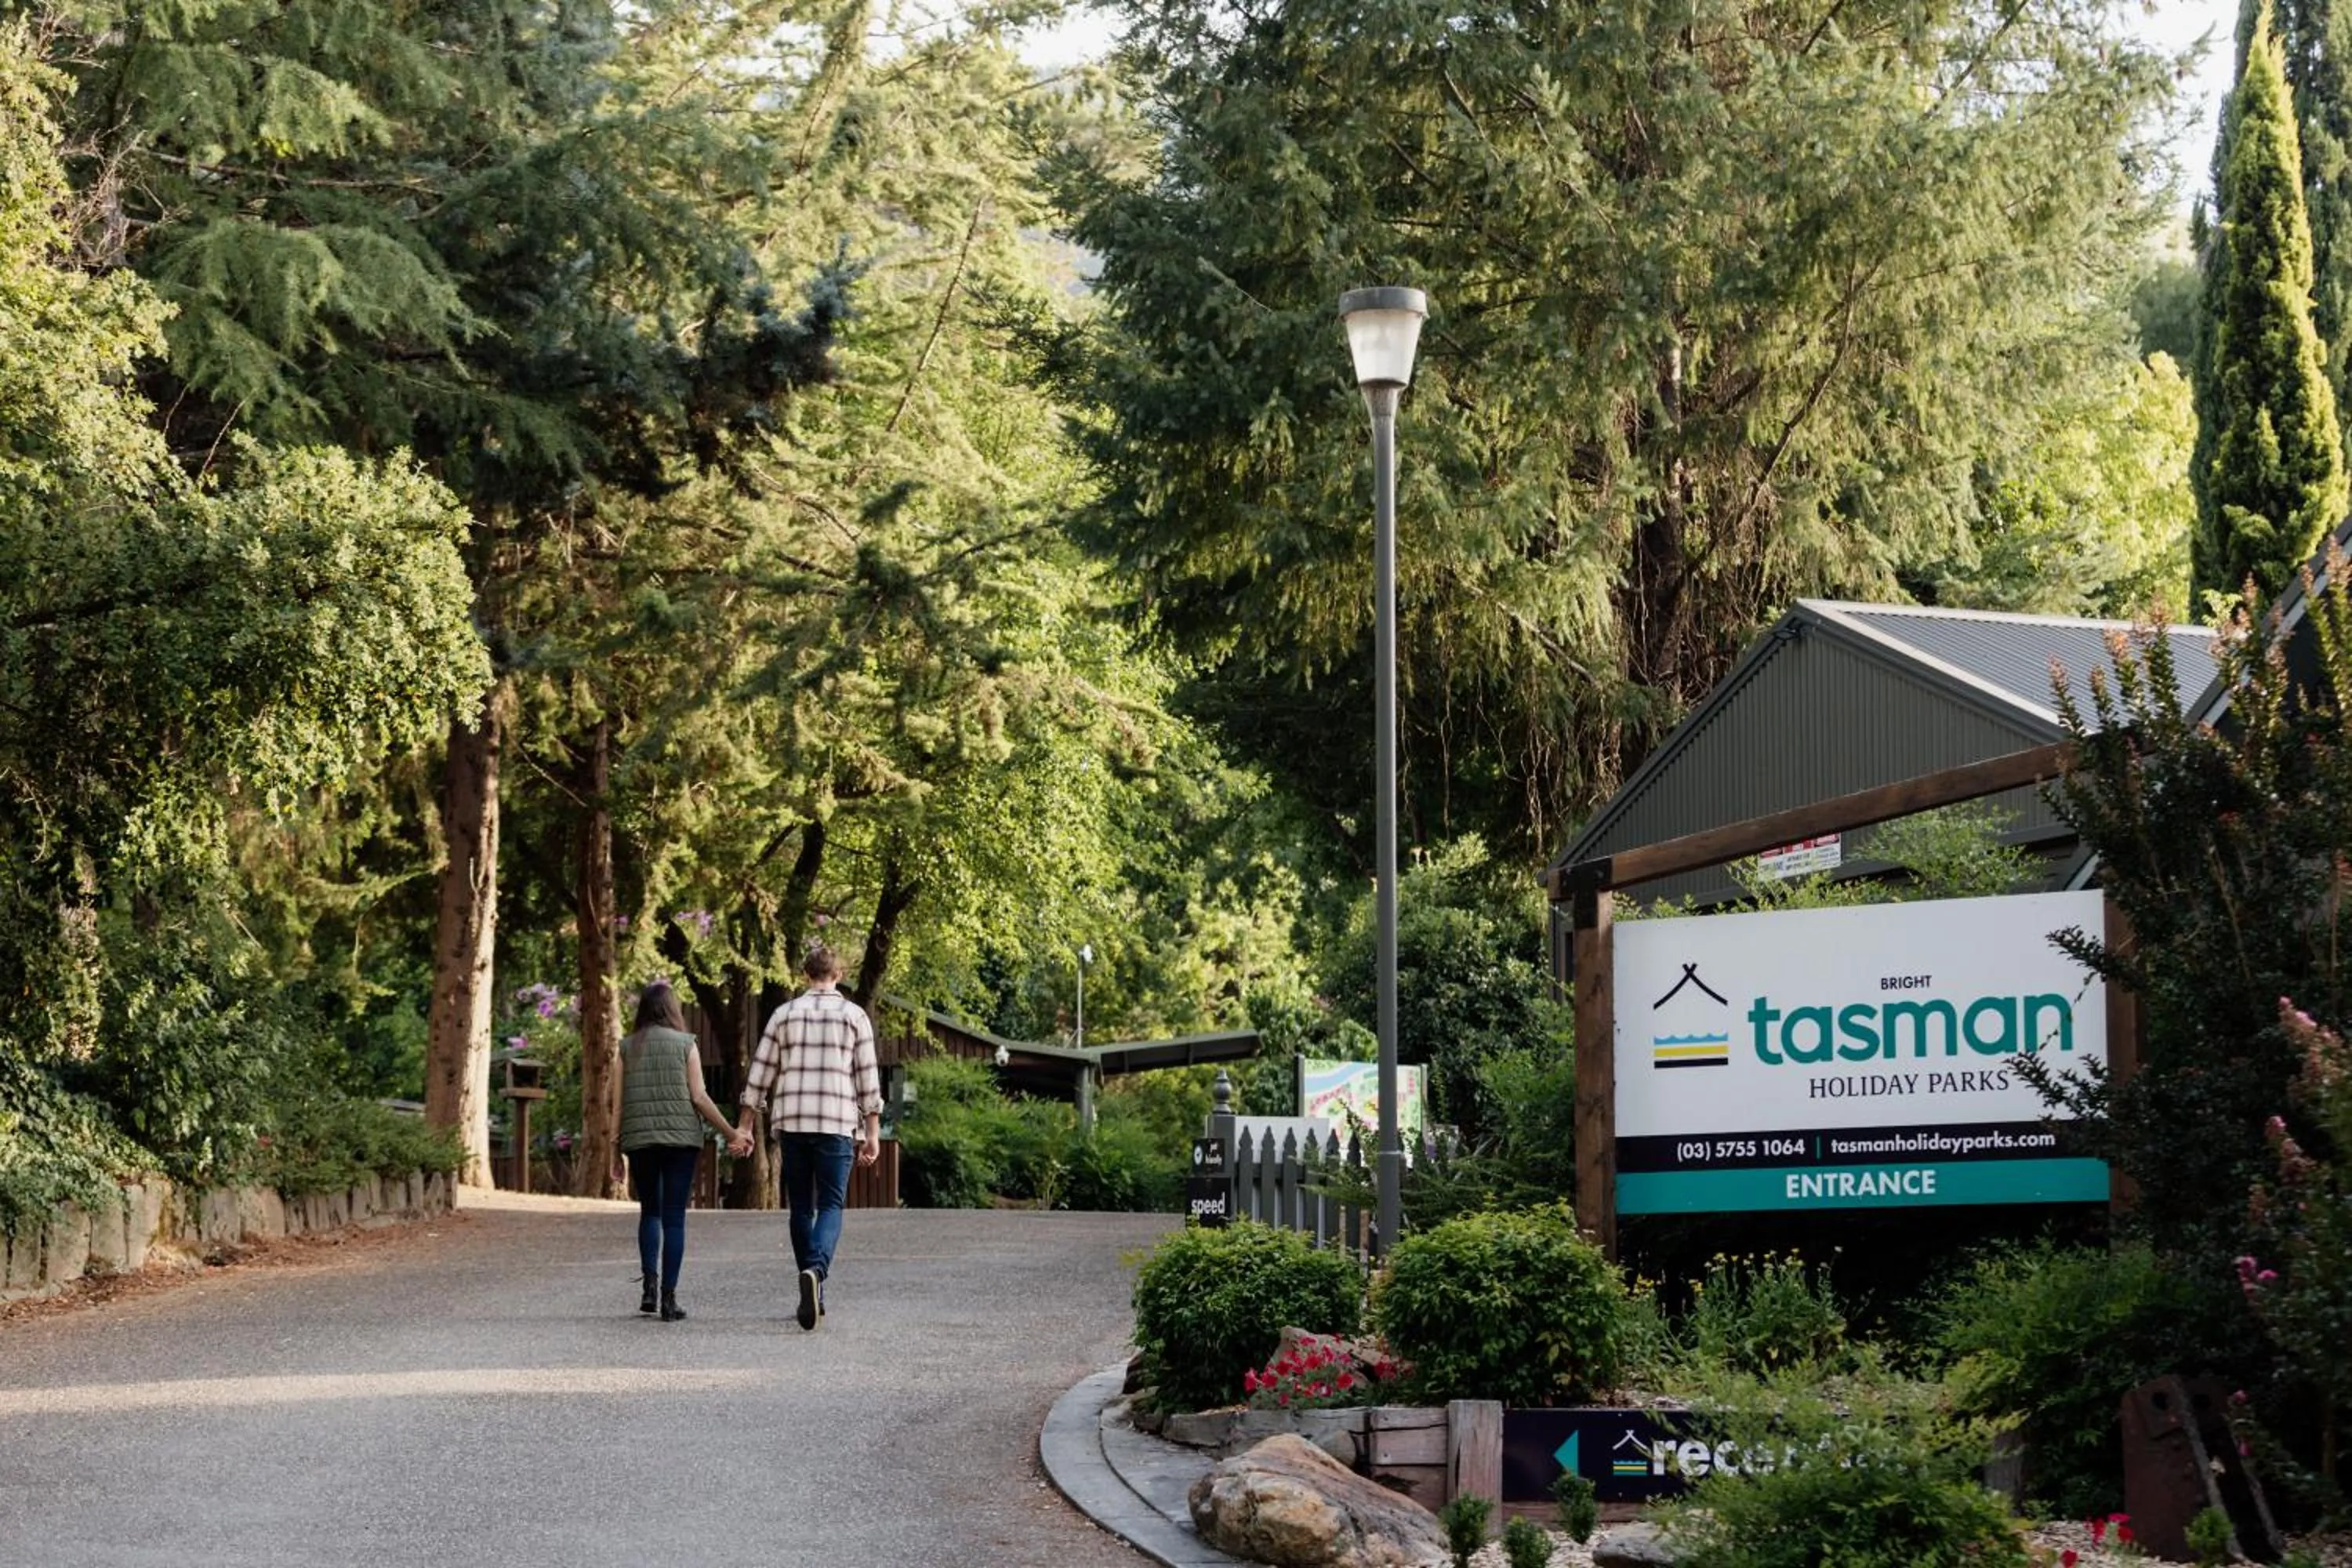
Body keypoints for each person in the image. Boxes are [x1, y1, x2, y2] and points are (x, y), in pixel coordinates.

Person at [734, 942, 880, 1331]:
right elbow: (867, 1077)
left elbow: (761, 1072)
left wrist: (746, 1125)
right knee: (831, 1206)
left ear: (804, 975)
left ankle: (811, 1284)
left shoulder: (784, 1014)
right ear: (840, 975)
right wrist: (872, 1133)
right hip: (835, 1123)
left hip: (793, 1123)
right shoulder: (854, 1016)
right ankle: (816, 1272)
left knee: (801, 1207)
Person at [610, 981, 750, 1322]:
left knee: (650, 1213)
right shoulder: (686, 1044)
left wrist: (615, 1150)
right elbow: (699, 1098)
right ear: (673, 1009)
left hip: (640, 1140)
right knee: (674, 1218)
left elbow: (616, 1106)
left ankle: (649, 1290)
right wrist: (733, 1133)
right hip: (680, 1142)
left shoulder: (627, 1048)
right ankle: (670, 1300)